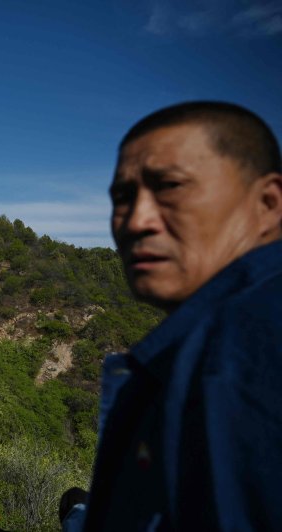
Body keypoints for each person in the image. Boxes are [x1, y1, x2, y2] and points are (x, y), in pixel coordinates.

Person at [85, 101, 282, 530]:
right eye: (122, 197)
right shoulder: (199, 347)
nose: (137, 220)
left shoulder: (249, 345)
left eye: (170, 186)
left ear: (268, 204)